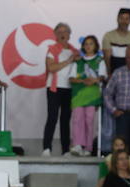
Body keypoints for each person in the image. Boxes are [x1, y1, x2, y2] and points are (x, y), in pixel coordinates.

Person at [41, 23, 77, 156]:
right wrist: (68, 61)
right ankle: (46, 148)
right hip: (54, 88)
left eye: (65, 31)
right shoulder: (52, 49)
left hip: (70, 88)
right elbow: (51, 68)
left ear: (69, 34)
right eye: (60, 32)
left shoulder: (75, 51)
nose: (63, 34)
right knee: (52, 117)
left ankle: (66, 150)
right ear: (55, 35)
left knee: (65, 119)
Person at [69, 35, 105, 156]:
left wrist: (94, 80)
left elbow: (102, 77)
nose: (88, 46)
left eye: (91, 44)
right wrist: (82, 81)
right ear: (83, 46)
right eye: (86, 44)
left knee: (89, 120)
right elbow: (72, 78)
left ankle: (88, 148)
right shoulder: (78, 61)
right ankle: (78, 145)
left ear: (96, 46)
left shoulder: (100, 60)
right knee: (77, 120)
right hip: (78, 96)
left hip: (92, 96)